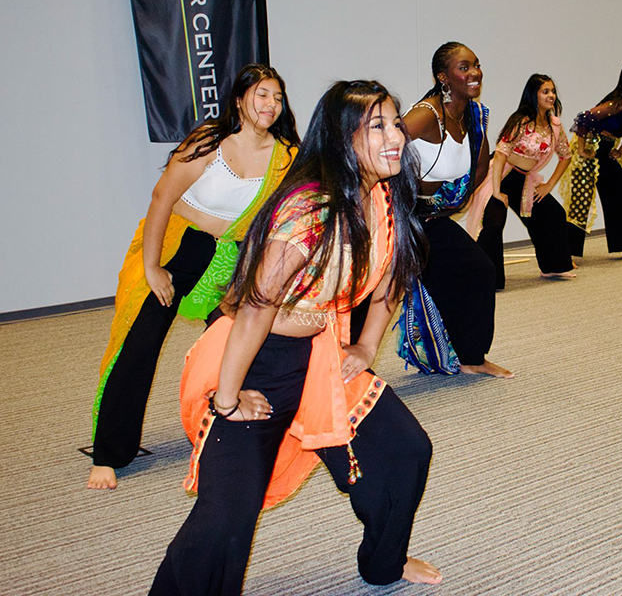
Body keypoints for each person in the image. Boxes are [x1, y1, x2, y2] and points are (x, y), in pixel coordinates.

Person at [149, 80, 441, 594]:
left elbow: (393, 280)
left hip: (324, 354)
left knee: (406, 451)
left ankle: (384, 563)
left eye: (395, 123)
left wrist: (368, 346)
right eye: (378, 126)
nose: (396, 136)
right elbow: (256, 310)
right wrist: (228, 396)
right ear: (340, 138)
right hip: (255, 359)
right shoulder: (310, 208)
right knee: (226, 517)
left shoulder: (386, 196)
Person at [88, 64, 300, 490]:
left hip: (232, 258)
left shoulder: (285, 156)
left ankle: (249, 426)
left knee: (243, 339)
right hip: (179, 246)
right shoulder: (209, 142)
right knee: (140, 342)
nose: (270, 105)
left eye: (277, 97)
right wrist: (152, 268)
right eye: (261, 94)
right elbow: (161, 198)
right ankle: (108, 454)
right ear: (239, 99)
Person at [401, 41, 512, 377]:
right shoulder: (426, 114)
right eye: (464, 67)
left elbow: (480, 167)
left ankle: (471, 357)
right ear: (443, 77)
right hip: (399, 217)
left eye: (476, 65)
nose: (474, 72)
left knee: (479, 270)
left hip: (431, 218)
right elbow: (378, 148)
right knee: (376, 293)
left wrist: (450, 202)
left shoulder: (474, 116)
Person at [469, 74, 575, 289]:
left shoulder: (554, 125)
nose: (551, 95)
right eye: (545, 91)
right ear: (533, 95)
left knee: (553, 214)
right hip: (498, 175)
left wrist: (548, 186)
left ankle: (554, 266)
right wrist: (497, 192)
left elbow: (566, 156)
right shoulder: (520, 121)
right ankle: (489, 279)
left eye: (553, 91)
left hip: (524, 180)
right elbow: (499, 156)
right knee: (494, 223)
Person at [559, 62, 622, 261]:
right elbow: (586, 117)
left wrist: (621, 150)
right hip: (593, 148)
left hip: (607, 149)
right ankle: (567, 255)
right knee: (581, 202)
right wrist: (583, 149)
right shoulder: (620, 102)